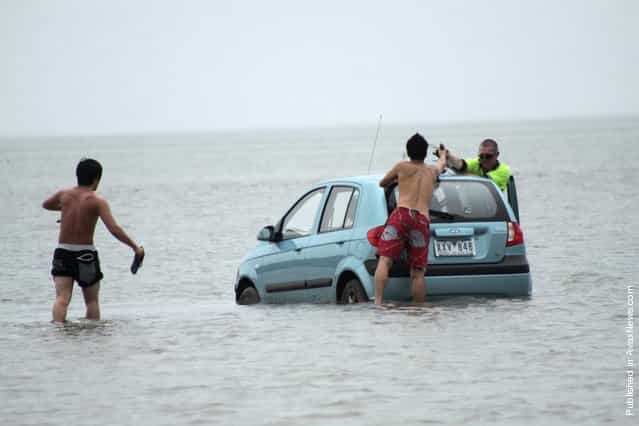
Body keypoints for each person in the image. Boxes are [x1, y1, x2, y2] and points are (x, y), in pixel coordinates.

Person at [42, 158, 144, 322]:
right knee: (91, 301)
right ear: (96, 179)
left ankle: (58, 334)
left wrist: (66, 208)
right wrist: (134, 247)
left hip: (63, 252)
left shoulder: (64, 195)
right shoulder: (97, 201)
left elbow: (46, 204)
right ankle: (92, 340)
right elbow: (114, 229)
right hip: (85, 255)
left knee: (62, 299)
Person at [374, 133, 447, 305]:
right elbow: (441, 165)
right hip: (421, 220)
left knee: (385, 260)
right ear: (425, 152)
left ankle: (378, 303)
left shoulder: (402, 166)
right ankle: (418, 309)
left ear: (408, 151)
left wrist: (398, 179)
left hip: (402, 215)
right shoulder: (431, 170)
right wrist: (443, 154)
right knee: (418, 271)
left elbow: (383, 183)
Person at [445, 138, 511, 191]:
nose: (484, 160)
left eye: (488, 156)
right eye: (481, 156)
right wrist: (449, 156)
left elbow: (483, 181)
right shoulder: (476, 162)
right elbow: (461, 164)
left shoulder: (504, 170)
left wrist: (459, 172)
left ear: (497, 155)